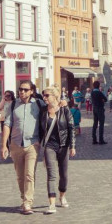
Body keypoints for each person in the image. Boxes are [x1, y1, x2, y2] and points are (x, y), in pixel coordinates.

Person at [1, 80, 46, 215]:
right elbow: (7, 124)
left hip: (32, 144)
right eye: (20, 89)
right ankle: (23, 198)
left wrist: (63, 103)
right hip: (15, 144)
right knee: (20, 176)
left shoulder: (39, 104)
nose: (22, 92)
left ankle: (28, 202)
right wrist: (4, 145)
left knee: (29, 174)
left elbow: (52, 110)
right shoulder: (13, 105)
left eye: (25, 90)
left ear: (31, 91)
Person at [40, 86, 76, 214]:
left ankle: (62, 196)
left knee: (64, 174)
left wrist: (72, 146)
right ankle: (52, 204)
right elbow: (41, 130)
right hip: (50, 145)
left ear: (55, 96)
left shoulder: (64, 109)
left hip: (63, 145)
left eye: (47, 95)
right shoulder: (43, 110)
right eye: (43, 95)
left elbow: (71, 127)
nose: (44, 97)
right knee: (51, 174)